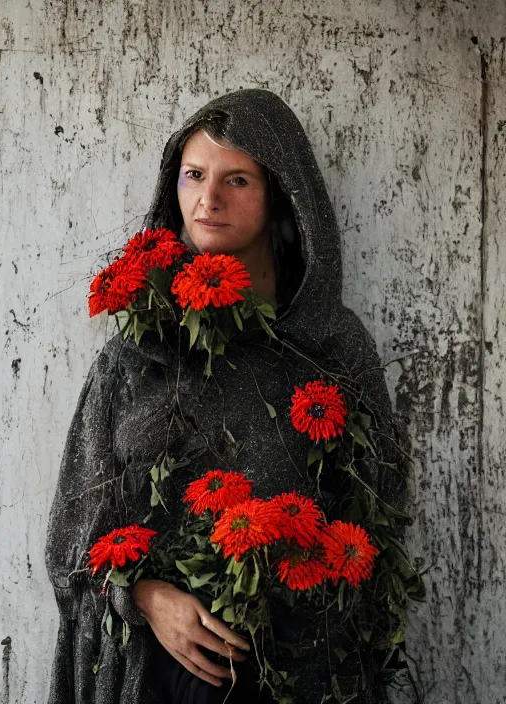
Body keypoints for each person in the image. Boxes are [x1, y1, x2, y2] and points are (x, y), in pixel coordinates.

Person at [44, 89, 407, 703]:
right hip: (152, 680)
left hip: (294, 678)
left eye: (236, 179)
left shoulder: (329, 345)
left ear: (282, 197)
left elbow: (383, 508)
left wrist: (296, 597)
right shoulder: (134, 357)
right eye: (193, 176)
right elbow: (70, 545)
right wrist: (148, 598)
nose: (208, 199)